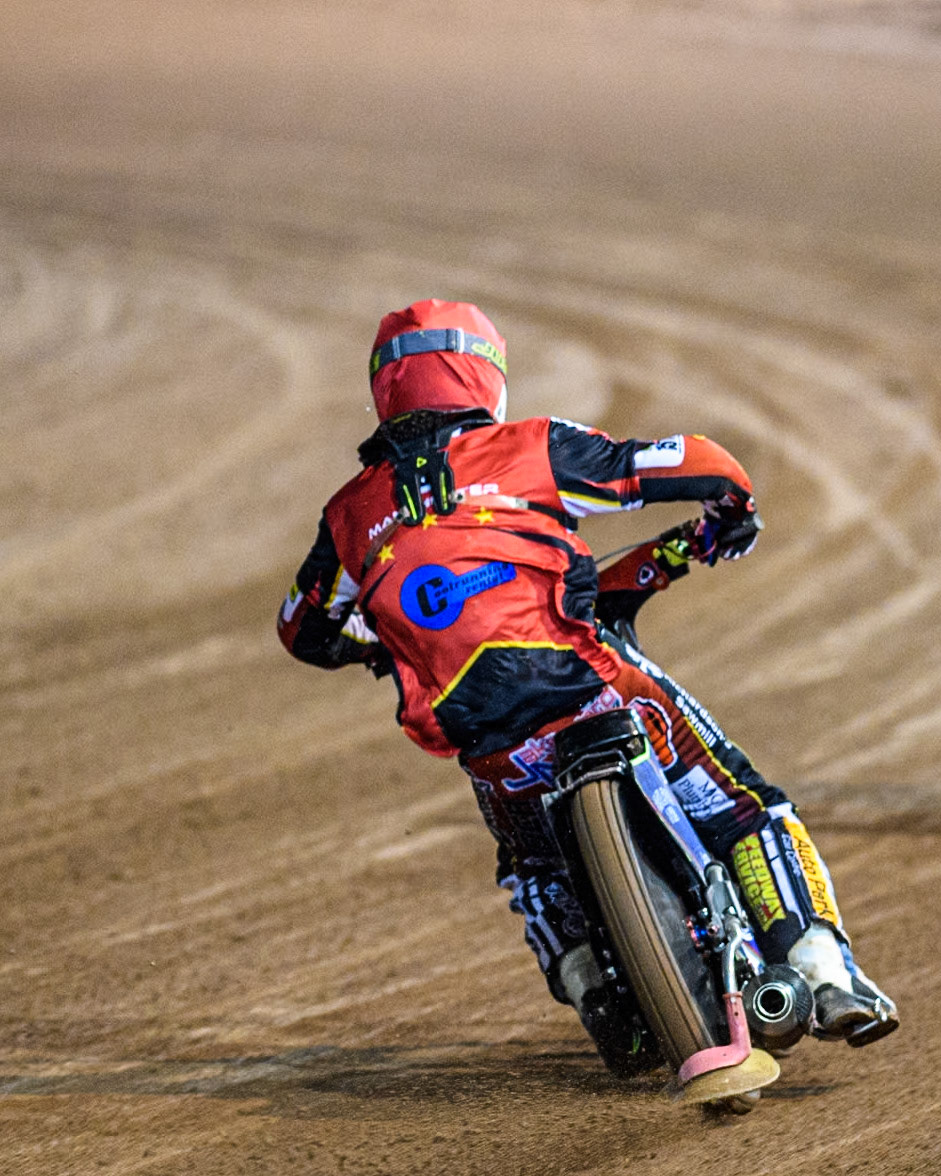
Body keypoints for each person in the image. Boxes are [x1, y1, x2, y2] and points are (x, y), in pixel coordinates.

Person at [278, 299, 897, 1050]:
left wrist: (379, 649)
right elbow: (700, 463)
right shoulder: (528, 447)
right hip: (595, 686)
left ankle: (589, 986)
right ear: (485, 375)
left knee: (531, 864)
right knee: (747, 810)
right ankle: (825, 972)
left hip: (489, 747)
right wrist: (733, 506)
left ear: (384, 386)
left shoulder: (347, 517)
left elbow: (301, 628)